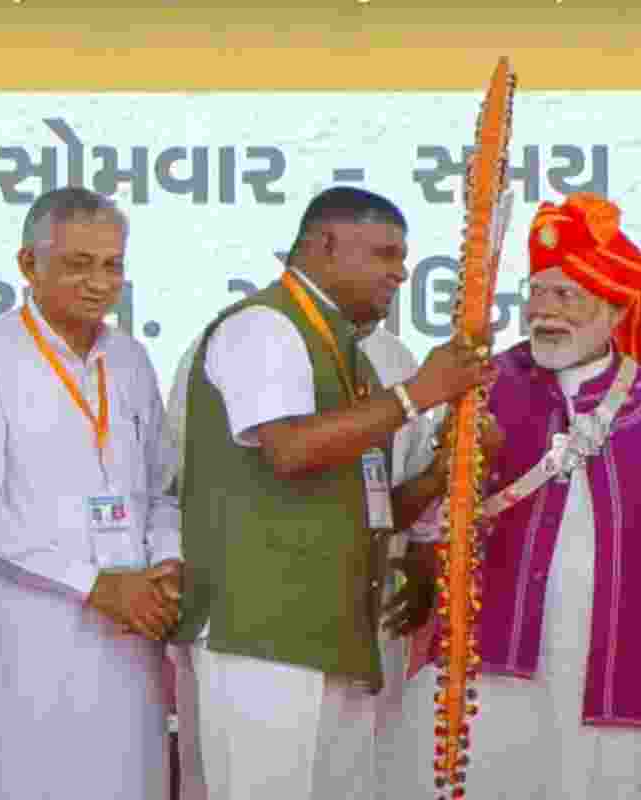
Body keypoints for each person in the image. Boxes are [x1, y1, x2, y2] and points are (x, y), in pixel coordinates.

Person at [385, 193, 641, 799]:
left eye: (565, 295)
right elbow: (420, 533)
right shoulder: (478, 387)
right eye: (536, 293)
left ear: (616, 309)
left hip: (616, 697)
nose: (544, 311)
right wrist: (453, 465)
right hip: (482, 682)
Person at [171, 186, 484, 800]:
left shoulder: (352, 357)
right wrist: (415, 395)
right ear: (324, 245)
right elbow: (287, 449)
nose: (400, 273)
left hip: (336, 633)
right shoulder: (265, 326)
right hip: (261, 630)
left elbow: (373, 510)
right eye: (385, 254)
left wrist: (450, 466)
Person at [0, 188, 180, 799]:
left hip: (130, 631)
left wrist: (166, 563)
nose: (100, 282)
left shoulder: (130, 359)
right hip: (29, 637)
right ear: (27, 265)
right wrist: (93, 582)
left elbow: (163, 487)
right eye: (78, 264)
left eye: (113, 265)